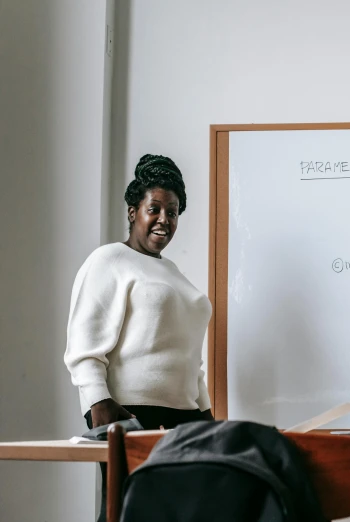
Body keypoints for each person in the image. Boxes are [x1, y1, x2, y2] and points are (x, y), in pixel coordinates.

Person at [64, 154, 214, 522]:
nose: (165, 219)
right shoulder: (109, 260)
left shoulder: (174, 273)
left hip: (188, 418)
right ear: (133, 212)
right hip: (133, 415)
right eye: (155, 208)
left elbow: (191, 359)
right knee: (131, 514)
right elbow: (83, 346)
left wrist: (208, 414)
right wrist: (98, 404)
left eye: (174, 211)